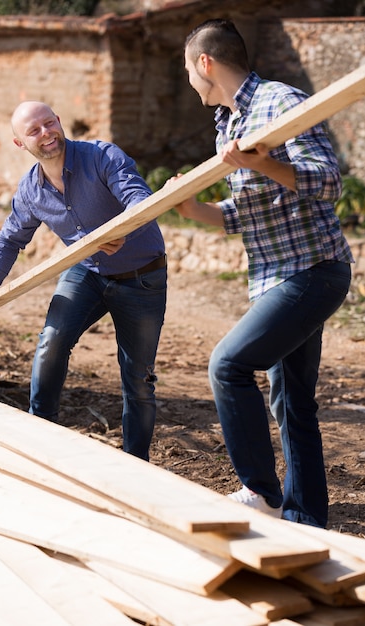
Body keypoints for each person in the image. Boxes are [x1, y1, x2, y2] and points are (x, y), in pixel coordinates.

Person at [174, 19, 353, 527]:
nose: (189, 81)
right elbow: (242, 213)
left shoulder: (280, 103)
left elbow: (328, 183)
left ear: (205, 63)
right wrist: (191, 210)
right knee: (292, 401)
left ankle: (261, 490)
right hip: (275, 277)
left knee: (227, 365)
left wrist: (261, 164)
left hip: (313, 269)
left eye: (189, 69)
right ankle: (305, 517)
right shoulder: (228, 127)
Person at [0, 100, 167, 462]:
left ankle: (136, 465)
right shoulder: (31, 190)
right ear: (19, 144)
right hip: (86, 272)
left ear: (59, 121)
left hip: (141, 277)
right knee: (51, 343)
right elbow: (11, 238)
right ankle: (41, 439)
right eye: (34, 131)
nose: (46, 134)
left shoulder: (102, 156)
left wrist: (123, 226)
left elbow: (139, 198)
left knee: (138, 378)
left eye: (49, 123)